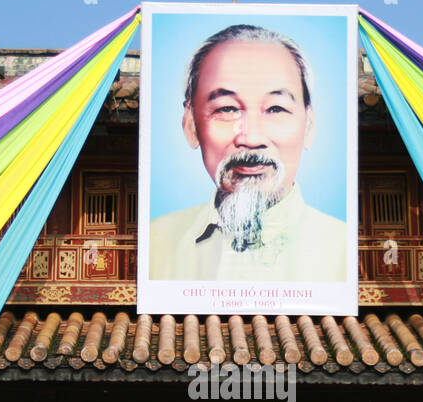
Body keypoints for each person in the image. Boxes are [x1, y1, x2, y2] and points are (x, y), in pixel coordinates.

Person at [149, 24, 348, 282]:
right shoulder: (155, 245)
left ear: (308, 125)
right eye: (227, 109)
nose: (251, 139)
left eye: (276, 109)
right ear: (190, 125)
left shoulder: (345, 251)